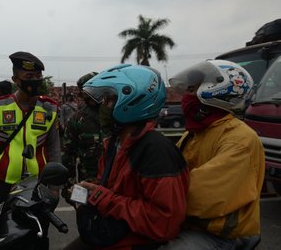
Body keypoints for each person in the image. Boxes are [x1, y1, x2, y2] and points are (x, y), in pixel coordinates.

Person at [67, 64, 189, 250]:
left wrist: (101, 197)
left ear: (132, 102)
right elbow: (113, 189)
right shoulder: (114, 144)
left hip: (136, 242)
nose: (103, 106)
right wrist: (89, 192)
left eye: (109, 100)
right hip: (113, 234)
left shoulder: (156, 151)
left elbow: (163, 223)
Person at [160, 60, 265, 250]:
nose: (186, 96)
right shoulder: (193, 134)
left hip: (221, 232)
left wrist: (146, 195)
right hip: (192, 222)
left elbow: (202, 194)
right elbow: (170, 171)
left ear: (217, 91)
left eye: (193, 89)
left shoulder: (239, 139)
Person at [0, 51, 61, 210]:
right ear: (16, 80)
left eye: (38, 76)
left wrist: (54, 188)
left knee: (39, 233)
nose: (35, 81)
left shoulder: (50, 109)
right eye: (29, 77)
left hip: (39, 184)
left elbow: (54, 149)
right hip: (5, 184)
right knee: (1, 231)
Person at [60, 72, 105, 204]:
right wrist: (69, 188)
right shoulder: (76, 119)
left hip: (114, 184)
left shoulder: (115, 114)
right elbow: (67, 156)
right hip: (87, 185)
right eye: (87, 90)